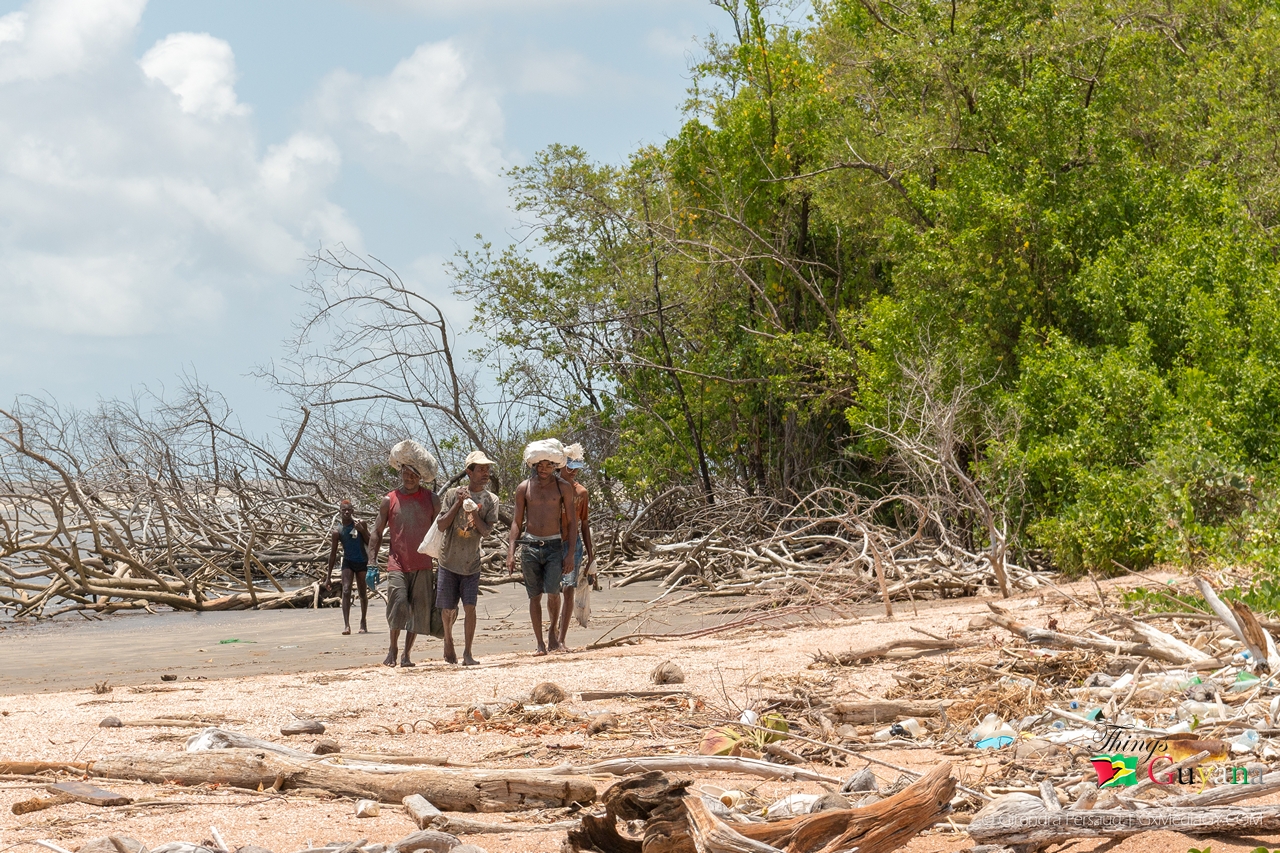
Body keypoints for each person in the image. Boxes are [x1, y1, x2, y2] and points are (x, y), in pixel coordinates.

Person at [367, 440, 441, 667]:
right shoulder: (389, 500)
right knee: (397, 606)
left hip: (423, 564)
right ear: (401, 472)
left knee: (418, 612)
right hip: (397, 563)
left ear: (420, 477)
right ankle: (392, 648)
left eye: (414, 476)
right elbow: (376, 532)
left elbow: (441, 530)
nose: (409, 479)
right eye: (406, 474)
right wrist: (371, 564)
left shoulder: (432, 499)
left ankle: (406, 654)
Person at [506, 438, 577, 656]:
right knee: (534, 596)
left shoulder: (563, 487)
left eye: (548, 464)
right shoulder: (524, 488)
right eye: (540, 464)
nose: (544, 469)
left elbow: (572, 522)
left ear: (555, 466)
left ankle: (552, 634)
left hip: (555, 545)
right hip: (529, 545)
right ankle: (540, 643)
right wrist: (511, 552)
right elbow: (517, 521)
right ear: (535, 465)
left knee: (554, 593)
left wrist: (570, 554)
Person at [434, 450, 499, 666]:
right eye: (481, 469)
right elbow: (442, 525)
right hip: (448, 560)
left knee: (470, 607)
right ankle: (448, 640)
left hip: (471, 562)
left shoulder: (491, 500)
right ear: (469, 472)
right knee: (447, 609)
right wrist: (458, 503)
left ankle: (468, 652)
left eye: (487, 469)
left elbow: (486, 531)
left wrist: (472, 512)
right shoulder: (453, 494)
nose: (485, 473)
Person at [556, 444, 594, 650]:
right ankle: (553, 635)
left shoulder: (581, 492)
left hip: (573, 544)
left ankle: (561, 638)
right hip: (553, 542)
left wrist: (591, 555)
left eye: (575, 467)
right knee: (554, 591)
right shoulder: (551, 490)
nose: (572, 471)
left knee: (568, 589)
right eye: (568, 467)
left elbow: (584, 524)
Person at [326, 499, 370, 635]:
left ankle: (363, 621)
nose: (346, 512)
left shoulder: (360, 523)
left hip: (362, 561)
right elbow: (332, 555)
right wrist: (328, 578)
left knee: (362, 593)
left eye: (349, 510)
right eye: (344, 510)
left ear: (352, 511)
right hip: (348, 562)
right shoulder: (337, 531)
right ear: (340, 511)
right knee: (346, 590)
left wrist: (362, 531)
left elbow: (370, 541)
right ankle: (347, 625)